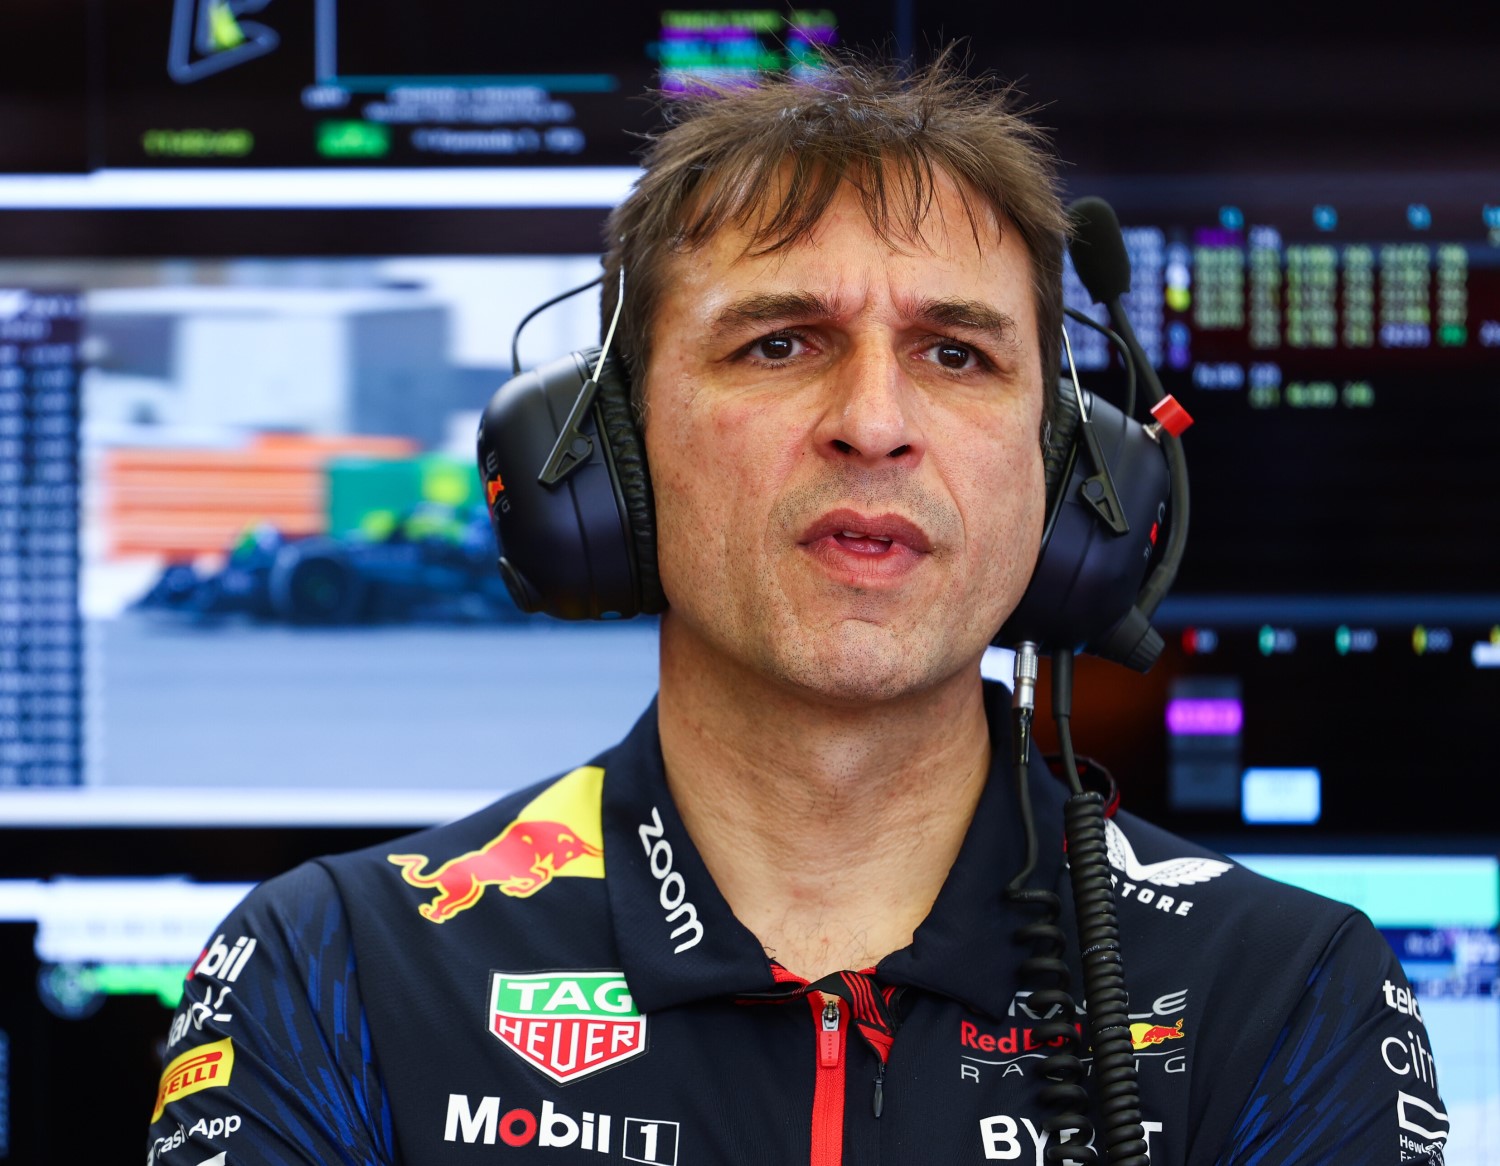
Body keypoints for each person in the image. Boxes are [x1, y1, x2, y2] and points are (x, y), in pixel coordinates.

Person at [146, 53, 1447, 1166]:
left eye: (958, 353)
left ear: (1072, 483)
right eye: (779, 343)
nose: (875, 424)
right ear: (608, 459)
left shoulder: (1283, 990)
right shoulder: (332, 971)